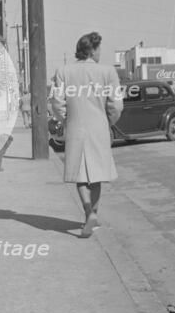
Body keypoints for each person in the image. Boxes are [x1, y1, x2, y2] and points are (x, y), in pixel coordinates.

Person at [50, 32, 123, 238]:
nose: (100, 53)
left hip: (75, 127)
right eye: (99, 49)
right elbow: (117, 104)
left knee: (79, 175)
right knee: (97, 175)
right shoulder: (108, 72)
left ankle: (88, 213)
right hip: (99, 127)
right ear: (92, 50)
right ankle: (93, 215)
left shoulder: (64, 72)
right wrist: (109, 121)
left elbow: (56, 103)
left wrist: (66, 119)